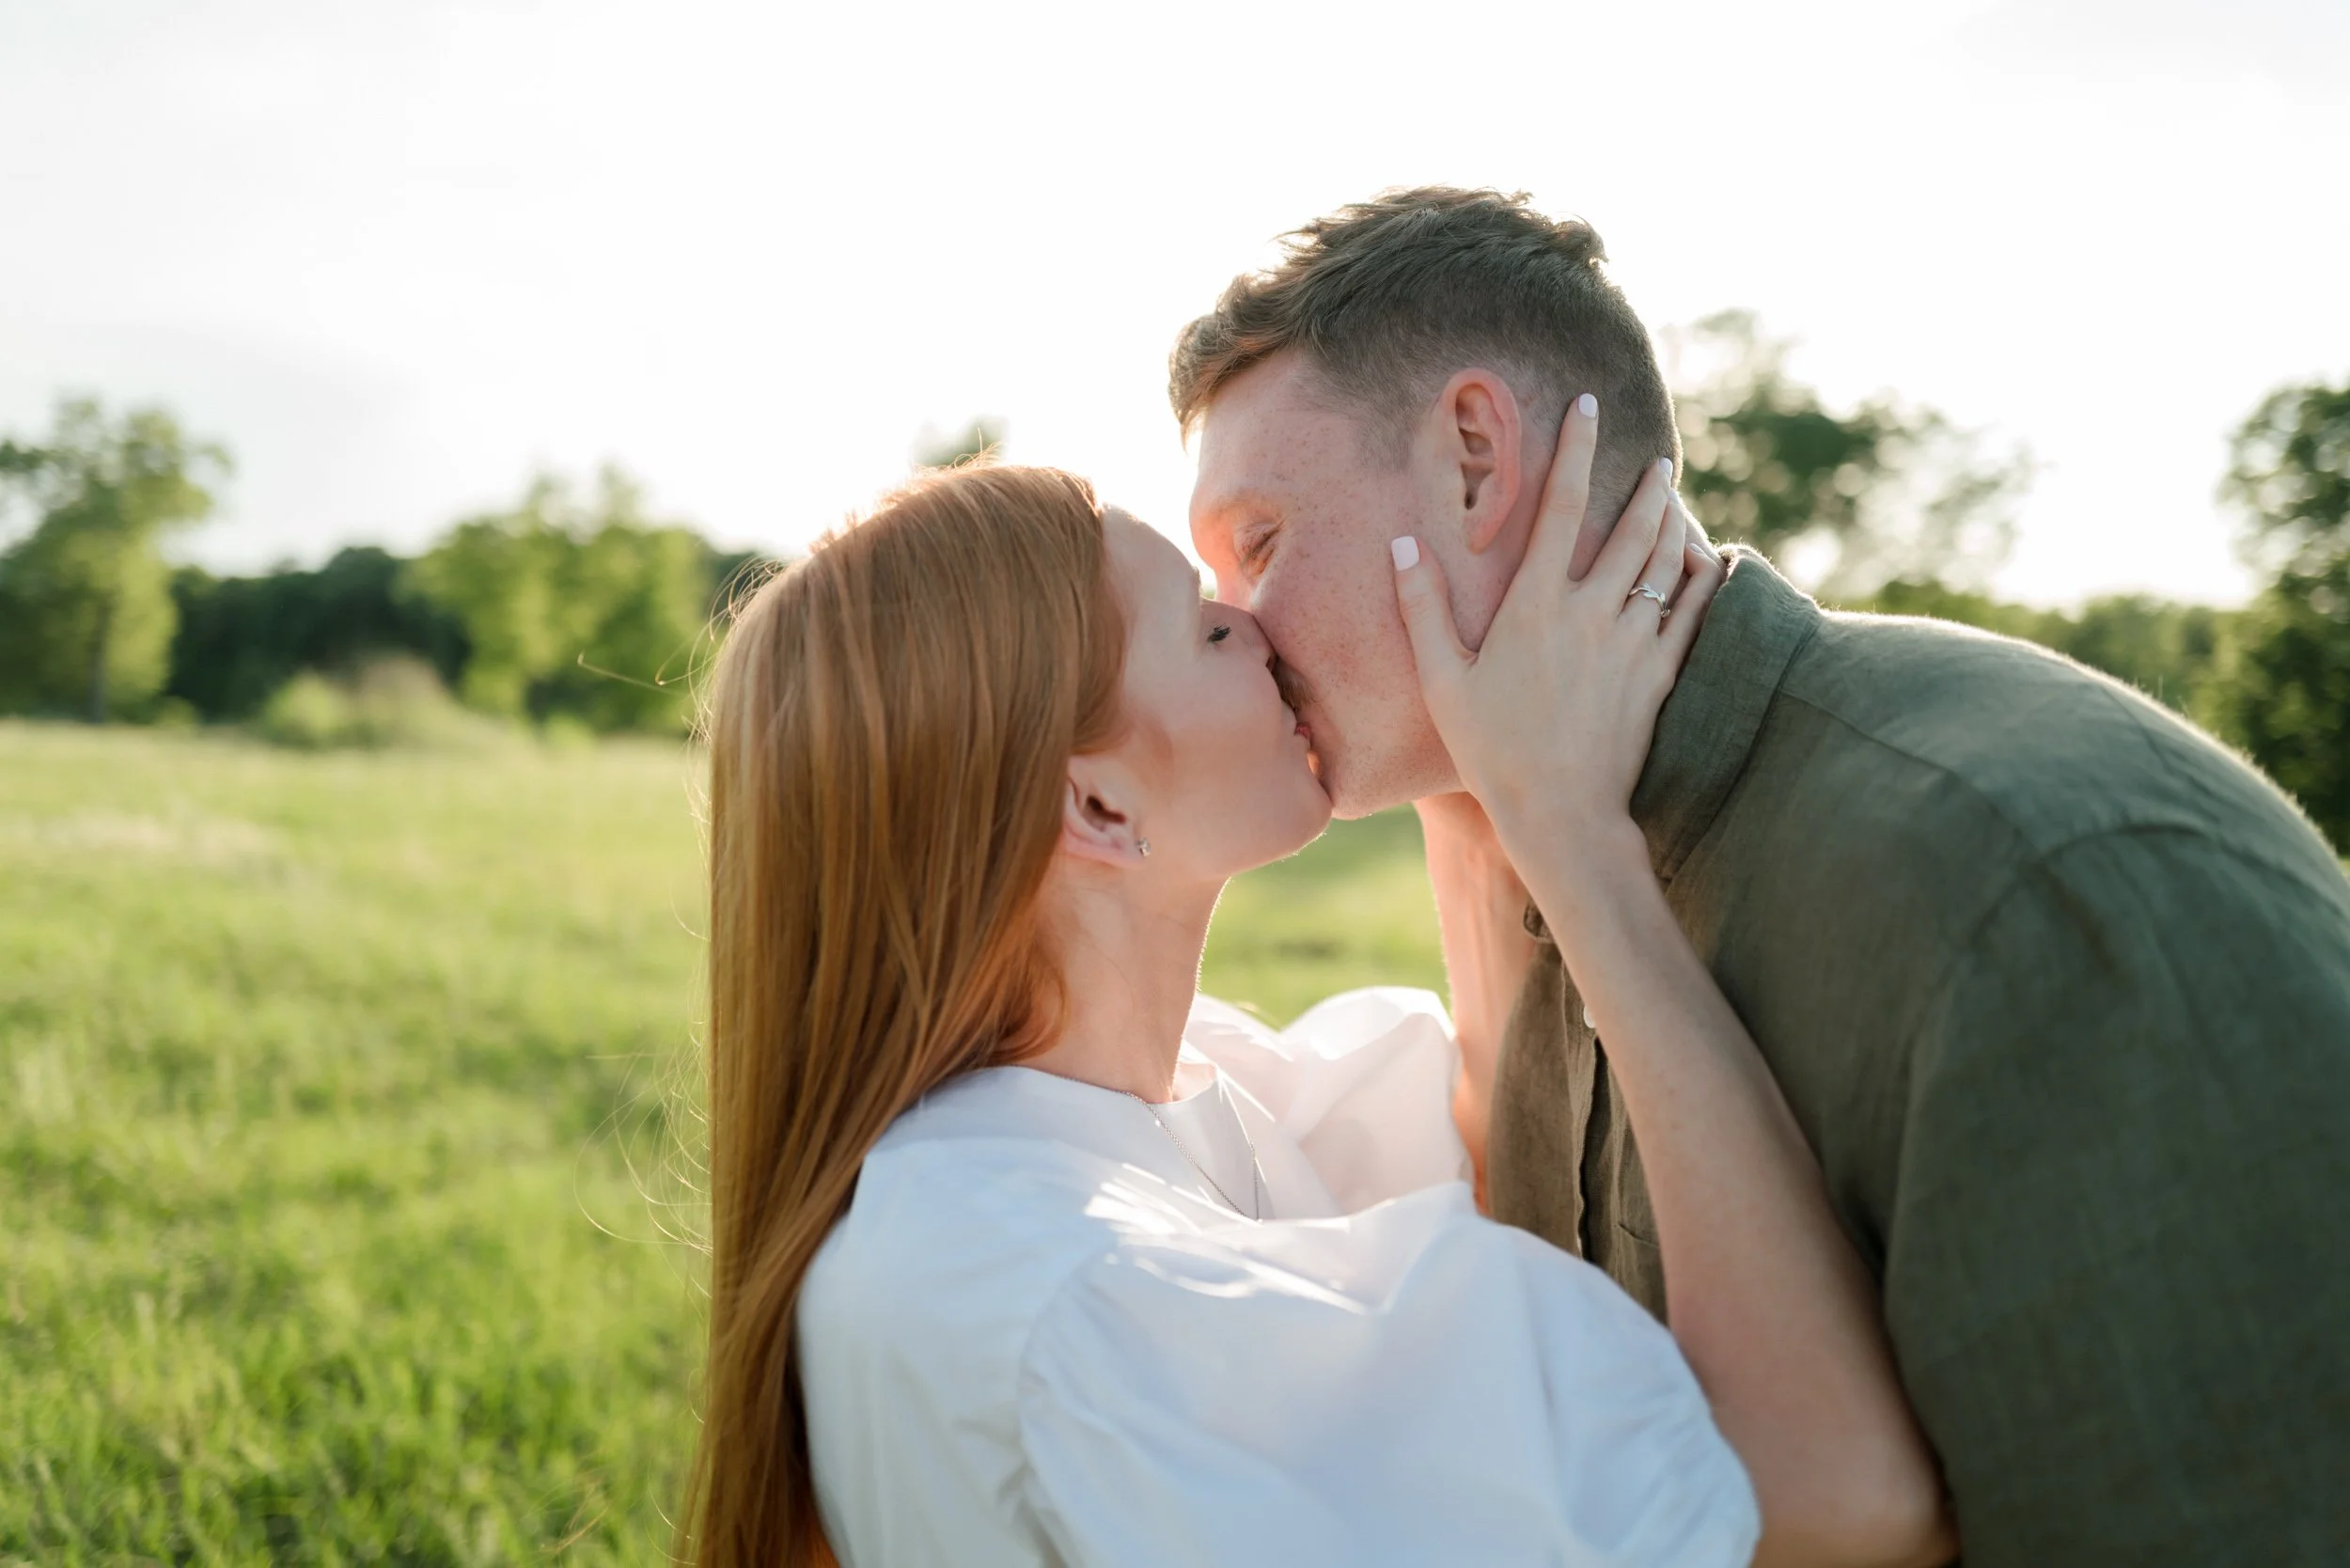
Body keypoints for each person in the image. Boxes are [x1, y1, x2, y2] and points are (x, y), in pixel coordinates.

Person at [1175, 186, 2350, 1566]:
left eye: (1257, 545)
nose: (1234, 631)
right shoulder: (1546, 850)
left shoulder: (2046, 889)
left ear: (1478, 463)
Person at [678, 451, 1956, 1567]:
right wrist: (1577, 846)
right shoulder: (1097, 1303)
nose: (1253, 621)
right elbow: (1844, 1500)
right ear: (1100, 810)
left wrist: (1467, 768)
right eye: (1201, 624)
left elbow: (1480, 1149)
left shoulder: (1133, 1113)